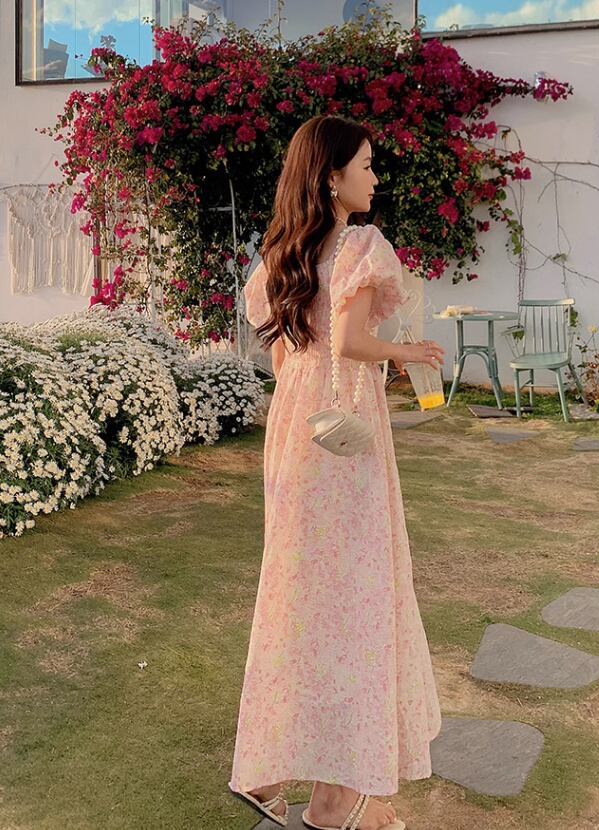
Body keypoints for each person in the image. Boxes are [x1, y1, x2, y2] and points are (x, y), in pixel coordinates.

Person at [228, 114, 445, 830]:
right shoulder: (360, 244)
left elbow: (284, 356)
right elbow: (349, 341)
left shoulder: (281, 253)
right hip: (344, 439)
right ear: (331, 175)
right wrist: (409, 352)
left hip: (296, 429)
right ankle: (338, 795)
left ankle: (270, 770)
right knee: (357, 595)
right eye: (367, 165)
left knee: (298, 594)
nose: (376, 177)